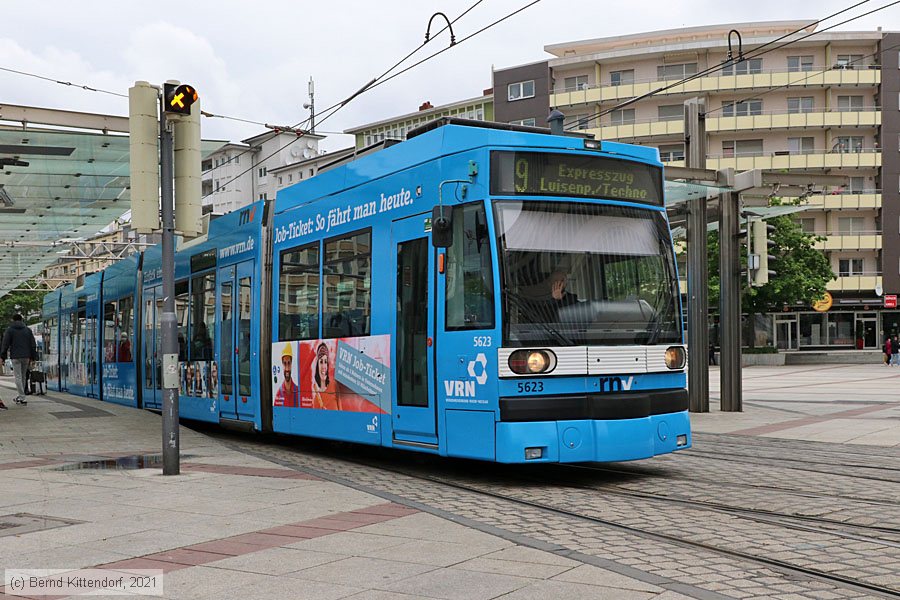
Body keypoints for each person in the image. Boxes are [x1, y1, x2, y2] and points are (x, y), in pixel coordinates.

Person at [1, 314, 38, 407]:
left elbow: (5, 344)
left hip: (15, 356)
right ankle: (21, 395)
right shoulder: (28, 330)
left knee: (18, 376)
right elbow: (33, 344)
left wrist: (3, 355)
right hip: (26, 357)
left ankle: (22, 397)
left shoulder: (10, 330)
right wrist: (34, 357)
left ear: (13, 320)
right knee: (23, 376)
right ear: (22, 320)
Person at [312, 342, 336, 410]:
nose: (323, 366)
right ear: (317, 366)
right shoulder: (316, 400)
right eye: (321, 362)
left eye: (325, 362)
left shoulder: (334, 387)